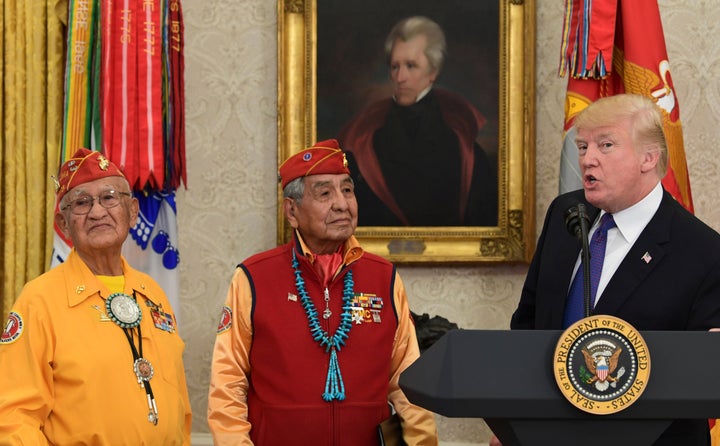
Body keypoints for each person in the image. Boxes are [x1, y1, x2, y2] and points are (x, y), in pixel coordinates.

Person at [505, 94, 720, 445]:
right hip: (546, 435)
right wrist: (512, 422)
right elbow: (528, 322)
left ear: (648, 158)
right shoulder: (565, 215)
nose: (588, 159)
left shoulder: (703, 251)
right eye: (583, 146)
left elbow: (702, 372)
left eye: (605, 145)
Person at [207, 139, 438, 445]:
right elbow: (227, 384)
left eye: (347, 190)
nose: (342, 204)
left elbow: (409, 384)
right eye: (325, 193)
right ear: (292, 211)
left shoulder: (383, 277)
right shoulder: (253, 277)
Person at [0, 148, 192, 444]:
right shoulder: (39, 300)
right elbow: (14, 417)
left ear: (132, 212)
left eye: (109, 197)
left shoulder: (153, 294)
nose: (97, 211)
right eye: (81, 203)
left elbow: (179, 404)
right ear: (64, 224)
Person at [338, 15, 497, 226]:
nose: (400, 77)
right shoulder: (364, 139)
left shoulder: (463, 146)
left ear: (433, 71)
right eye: (395, 67)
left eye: (411, 66)